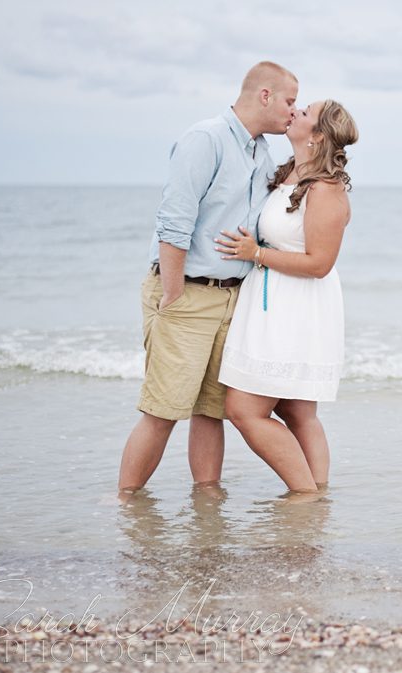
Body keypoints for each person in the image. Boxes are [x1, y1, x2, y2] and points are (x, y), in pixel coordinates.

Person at [118, 62, 299, 493]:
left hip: (233, 298)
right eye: (290, 102)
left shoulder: (260, 151)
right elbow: (174, 222)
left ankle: (207, 503)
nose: (293, 111)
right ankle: (125, 504)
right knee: (162, 410)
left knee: (210, 410)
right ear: (265, 96)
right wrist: (174, 294)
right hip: (188, 294)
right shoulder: (206, 139)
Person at [213, 99, 359, 493]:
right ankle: (317, 496)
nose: (295, 112)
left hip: (297, 307)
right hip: (273, 301)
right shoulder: (290, 175)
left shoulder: (326, 191)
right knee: (296, 411)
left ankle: (304, 494)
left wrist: (256, 253)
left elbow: (319, 263)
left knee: (244, 411)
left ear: (319, 136)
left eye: (305, 112)